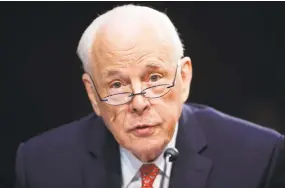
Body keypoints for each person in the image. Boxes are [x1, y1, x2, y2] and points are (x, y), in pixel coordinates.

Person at [15, 4, 284, 188]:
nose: (139, 103)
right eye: (117, 85)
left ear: (184, 78)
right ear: (93, 95)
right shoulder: (42, 166)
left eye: (154, 78)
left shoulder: (257, 159)